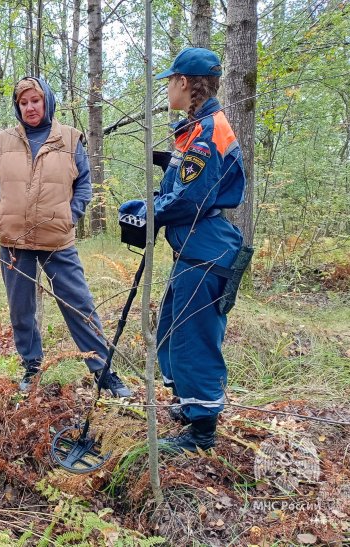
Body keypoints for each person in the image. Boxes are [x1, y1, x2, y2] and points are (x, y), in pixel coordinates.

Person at [118, 48, 246, 453]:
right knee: (172, 331)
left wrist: (148, 211)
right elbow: (184, 183)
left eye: (170, 81)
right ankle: (190, 405)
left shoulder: (207, 134)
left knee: (194, 339)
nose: (167, 89)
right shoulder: (194, 128)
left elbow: (191, 200)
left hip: (206, 254)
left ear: (185, 83)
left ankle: (203, 430)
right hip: (192, 253)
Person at [0, 76, 132, 398]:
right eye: (23, 103)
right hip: (14, 240)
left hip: (57, 238)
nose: (30, 107)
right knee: (21, 309)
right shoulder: (3, 140)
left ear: (47, 101)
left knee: (80, 304)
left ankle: (103, 370)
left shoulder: (69, 138)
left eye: (35, 100)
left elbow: (84, 185)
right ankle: (31, 367)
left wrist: (70, 216)